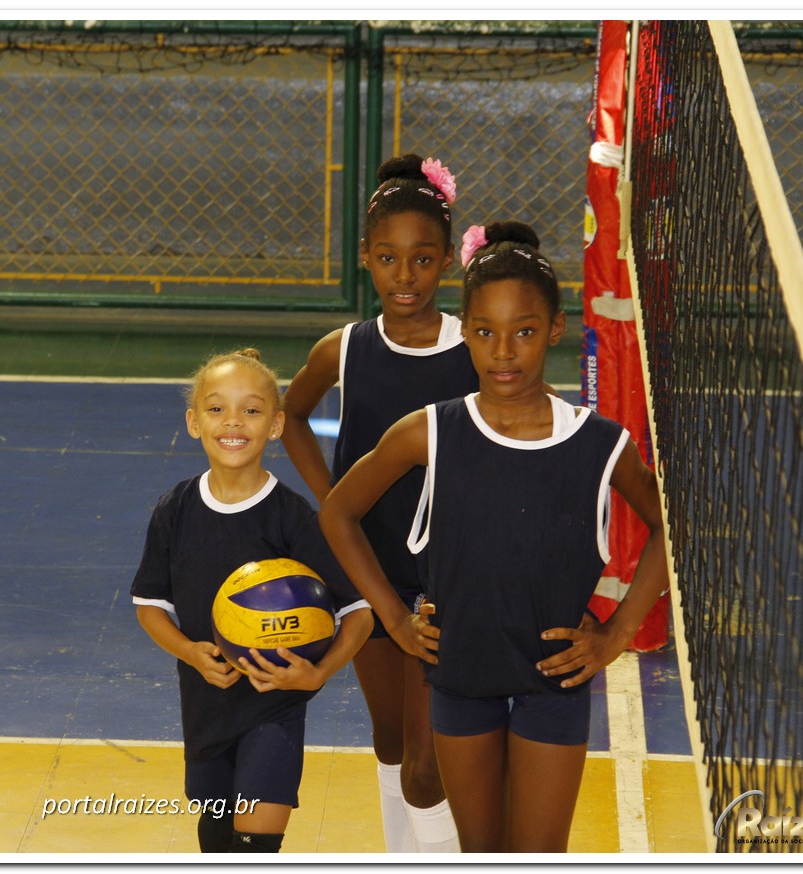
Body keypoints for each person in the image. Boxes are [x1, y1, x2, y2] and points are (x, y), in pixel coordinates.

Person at [318, 221, 668, 853]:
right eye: (485, 332)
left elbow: (669, 526)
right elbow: (338, 513)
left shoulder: (599, 444)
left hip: (554, 684)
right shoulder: (428, 432)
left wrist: (617, 633)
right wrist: (394, 619)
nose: (504, 351)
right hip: (460, 678)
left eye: (524, 332)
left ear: (555, 329)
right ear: (466, 333)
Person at [281, 153, 474, 853]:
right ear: (365, 258)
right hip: (366, 570)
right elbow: (290, 415)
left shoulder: (473, 348)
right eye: (388, 259)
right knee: (391, 739)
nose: (405, 276)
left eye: (422, 260)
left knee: (427, 764)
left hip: (444, 580)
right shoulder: (346, 349)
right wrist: (333, 500)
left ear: (447, 261)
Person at [131, 348, 374, 853]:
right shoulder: (175, 510)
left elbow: (358, 612)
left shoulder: (292, 517)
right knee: (216, 840)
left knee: (254, 847)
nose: (233, 422)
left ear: (276, 425)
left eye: (251, 410)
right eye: (217, 409)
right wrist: (190, 652)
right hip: (206, 708)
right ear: (194, 423)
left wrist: (318, 673)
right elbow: (151, 605)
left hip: (274, 707)